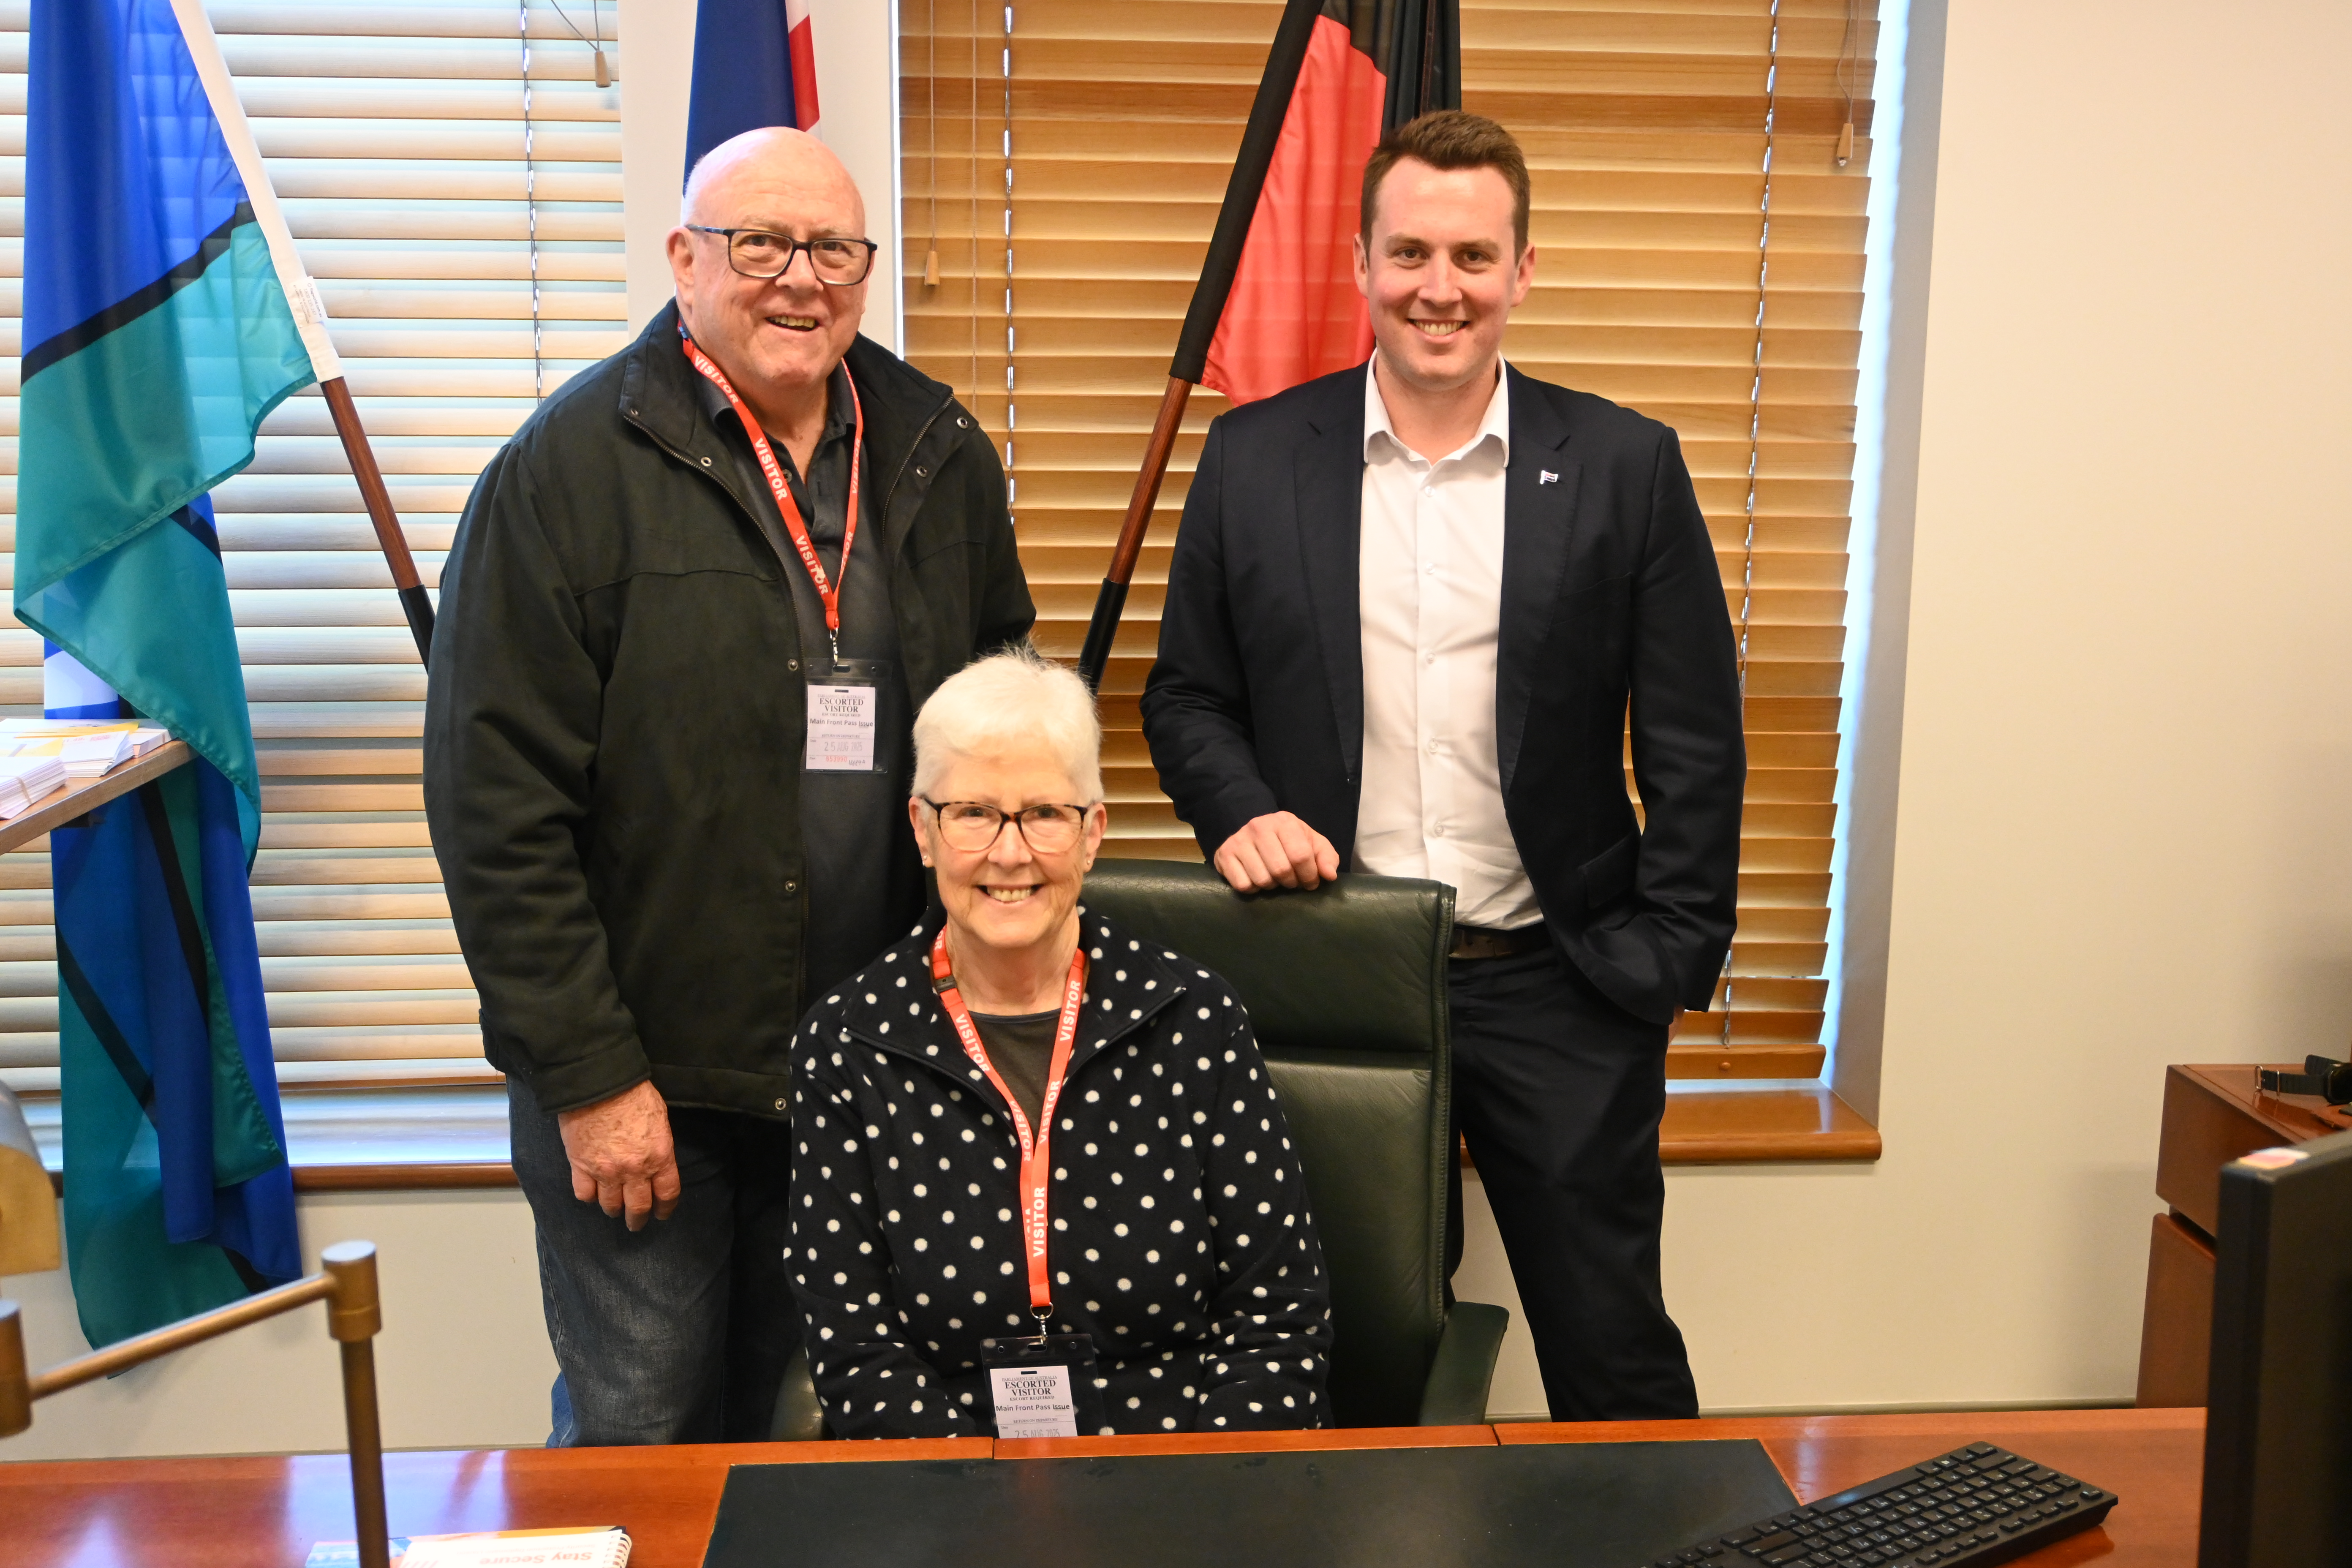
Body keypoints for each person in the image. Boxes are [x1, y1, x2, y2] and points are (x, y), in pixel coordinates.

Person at [423, 127, 1033, 1445]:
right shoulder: (566, 473)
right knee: (644, 1440)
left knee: (811, 1443)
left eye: (832, 249)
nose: (798, 280)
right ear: (685, 260)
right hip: (654, 1088)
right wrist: (590, 1082)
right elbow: (495, 812)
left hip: (869, 1068)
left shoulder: (935, 449)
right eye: (760, 244)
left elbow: (999, 738)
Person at [1139, 111, 1744, 1421]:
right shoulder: (1254, 461)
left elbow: (1697, 736)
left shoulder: (1626, 468)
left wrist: (1667, 959)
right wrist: (1238, 811)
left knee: (1610, 1346)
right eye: (1409, 251)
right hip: (1329, 975)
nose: (1440, 288)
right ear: (1360, 262)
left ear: (1524, 270)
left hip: (1556, 983)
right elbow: (1186, 696)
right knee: (1343, 1349)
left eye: (1474, 256)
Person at [789, 648, 1332, 1438]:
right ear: (923, 829)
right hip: (943, 1487)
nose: (1010, 853)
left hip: (1183, 1473)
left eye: (1044, 814)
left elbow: (1277, 1320)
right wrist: (978, 1516)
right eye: (973, 812)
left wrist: (1211, 1505)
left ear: (1092, 833)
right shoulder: (847, 1044)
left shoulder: (1194, 1019)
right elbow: (856, 1352)